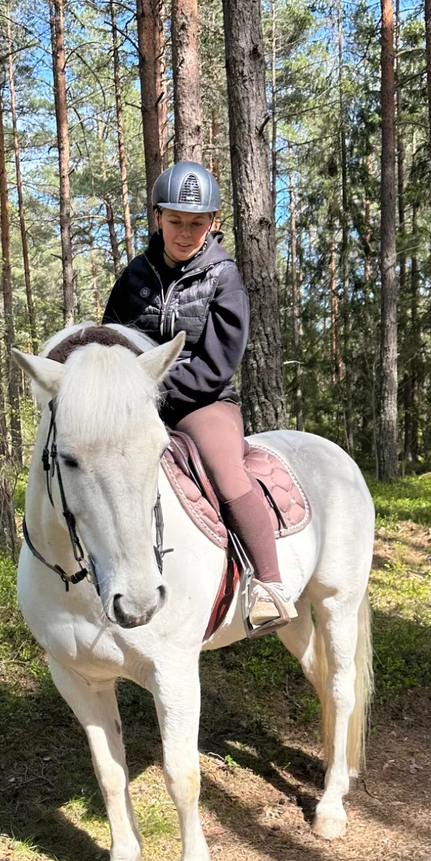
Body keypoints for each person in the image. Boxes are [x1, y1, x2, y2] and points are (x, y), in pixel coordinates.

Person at [103, 160, 297, 630]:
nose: (184, 233)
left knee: (225, 472)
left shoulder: (223, 276)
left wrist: (155, 395)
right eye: (175, 221)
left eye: (196, 223)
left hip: (204, 402)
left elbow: (217, 363)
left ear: (211, 224)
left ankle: (269, 585)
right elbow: (110, 340)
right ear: (158, 218)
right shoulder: (134, 278)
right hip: (137, 403)